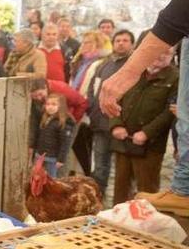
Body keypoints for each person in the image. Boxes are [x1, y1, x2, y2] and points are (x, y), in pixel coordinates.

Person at [110, 46, 178, 204]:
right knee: (120, 188)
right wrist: (116, 125)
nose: (160, 55)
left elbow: (171, 111)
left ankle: (144, 226)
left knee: (147, 191)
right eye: (158, 51)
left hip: (151, 145)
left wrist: (147, 132)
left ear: (173, 55)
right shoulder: (134, 72)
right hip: (124, 140)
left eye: (166, 52)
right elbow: (115, 97)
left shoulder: (176, 78)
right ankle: (118, 223)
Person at [87, 30, 136, 192]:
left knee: (125, 171)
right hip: (101, 124)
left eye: (125, 40)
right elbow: (93, 89)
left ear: (132, 44)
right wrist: (92, 112)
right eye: (118, 40)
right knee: (100, 166)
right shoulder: (104, 65)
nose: (121, 43)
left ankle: (122, 203)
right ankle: (98, 200)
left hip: (125, 126)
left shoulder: (134, 67)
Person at [69, 30, 110, 175]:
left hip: (87, 108)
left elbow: (91, 87)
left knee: (85, 146)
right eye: (84, 42)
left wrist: (84, 103)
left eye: (89, 42)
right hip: (75, 104)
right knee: (76, 145)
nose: (85, 45)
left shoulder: (99, 62)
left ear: (97, 44)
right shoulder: (80, 60)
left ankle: (87, 175)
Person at [29, 93, 75, 177]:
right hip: (40, 154)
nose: (50, 107)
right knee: (37, 176)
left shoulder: (63, 123)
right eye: (48, 104)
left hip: (52, 158)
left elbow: (65, 143)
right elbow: (39, 136)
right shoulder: (45, 119)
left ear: (61, 107)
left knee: (50, 179)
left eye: (54, 104)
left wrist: (61, 159)